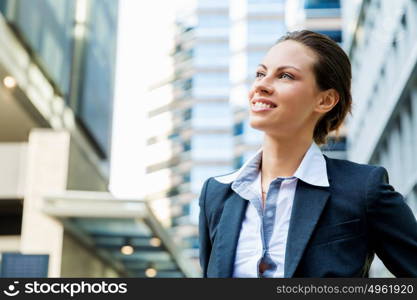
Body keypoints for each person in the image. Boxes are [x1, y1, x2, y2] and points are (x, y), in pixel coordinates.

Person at [198, 30, 417, 278]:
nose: (261, 85)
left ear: (325, 101)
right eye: (260, 73)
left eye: (285, 76)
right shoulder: (216, 194)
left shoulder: (363, 189)